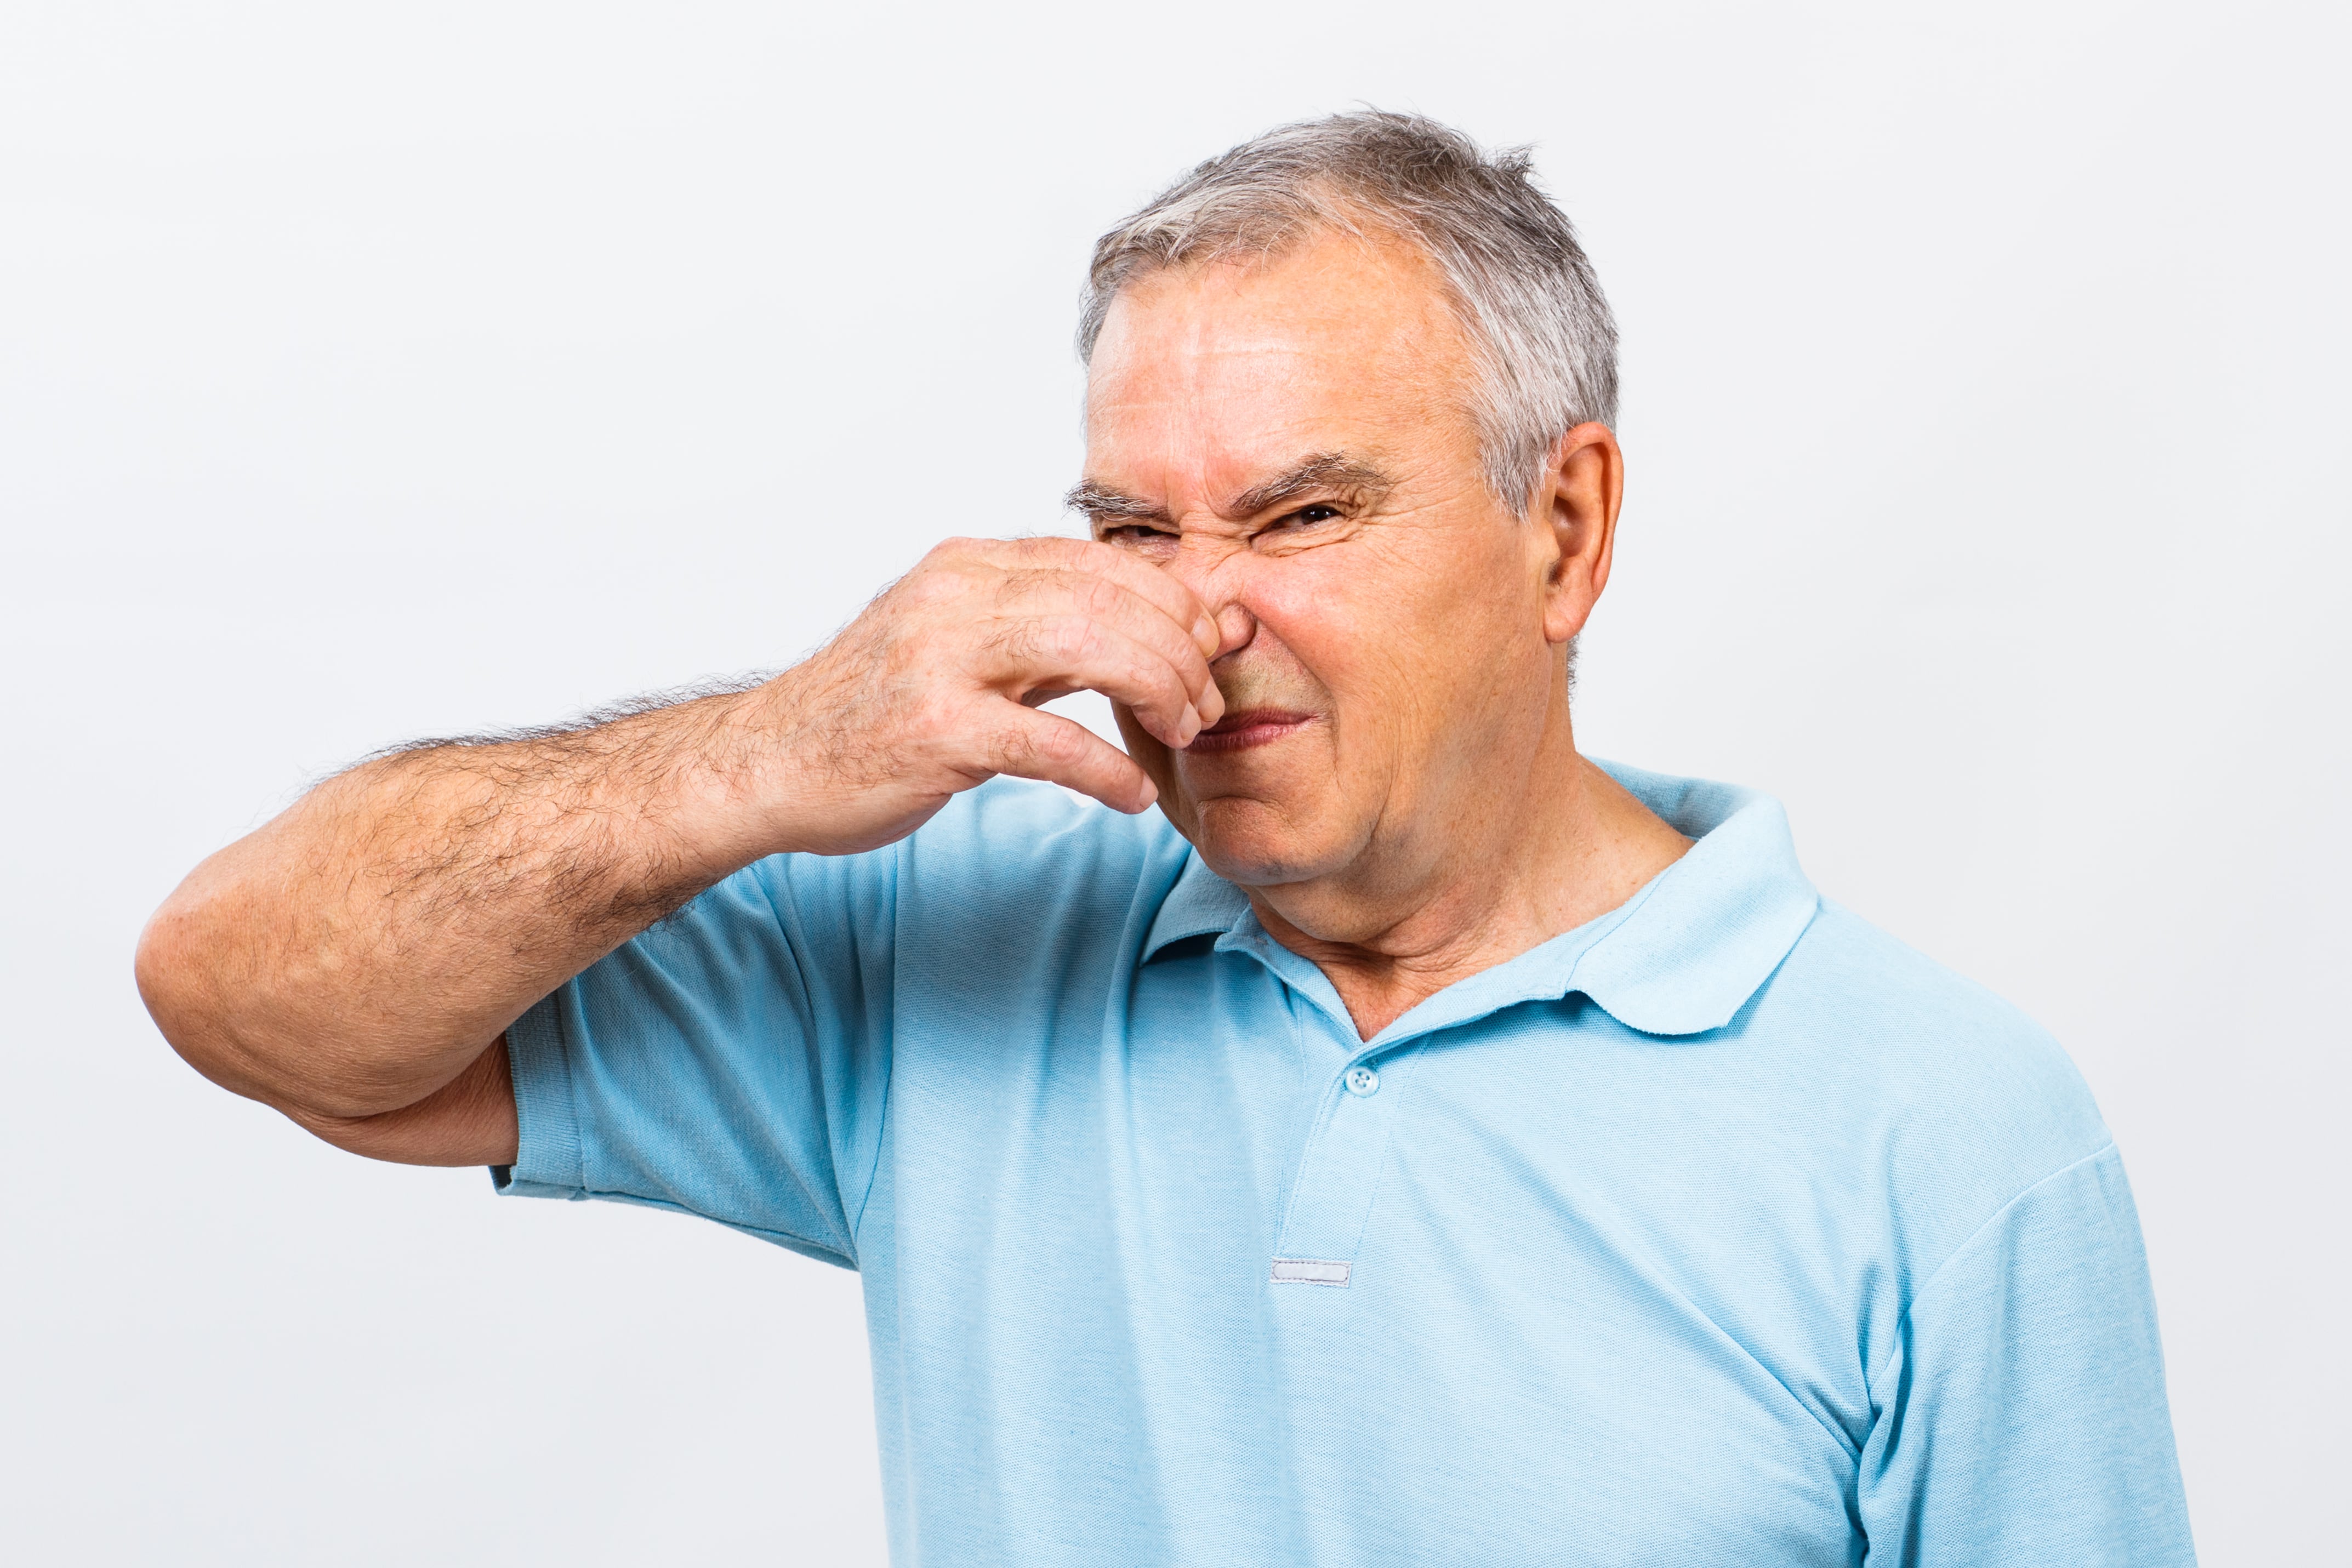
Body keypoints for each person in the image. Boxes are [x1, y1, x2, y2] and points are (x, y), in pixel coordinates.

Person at [136, 112, 2195, 1564]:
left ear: (1561, 530)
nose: (1194, 616)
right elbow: (243, 989)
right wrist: (764, 752)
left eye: (1304, 515)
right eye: (1133, 529)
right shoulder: (953, 943)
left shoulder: (1940, 1135)